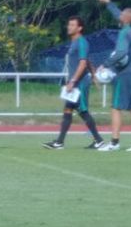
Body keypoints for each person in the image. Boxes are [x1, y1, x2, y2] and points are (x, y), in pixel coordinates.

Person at [43, 16, 104, 150]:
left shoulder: (82, 42)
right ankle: (59, 142)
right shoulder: (75, 42)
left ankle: (99, 141)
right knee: (68, 110)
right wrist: (94, 75)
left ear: (79, 28)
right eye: (69, 24)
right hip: (75, 83)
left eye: (72, 25)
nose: (69, 27)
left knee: (83, 111)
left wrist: (73, 81)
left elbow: (83, 63)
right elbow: (87, 60)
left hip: (80, 83)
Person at [95, 0, 131, 152]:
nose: (119, 16)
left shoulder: (124, 32)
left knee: (116, 108)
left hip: (124, 75)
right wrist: (108, 2)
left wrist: (106, 64)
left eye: (121, 15)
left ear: (125, 19)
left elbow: (121, 53)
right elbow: (121, 15)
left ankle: (114, 143)